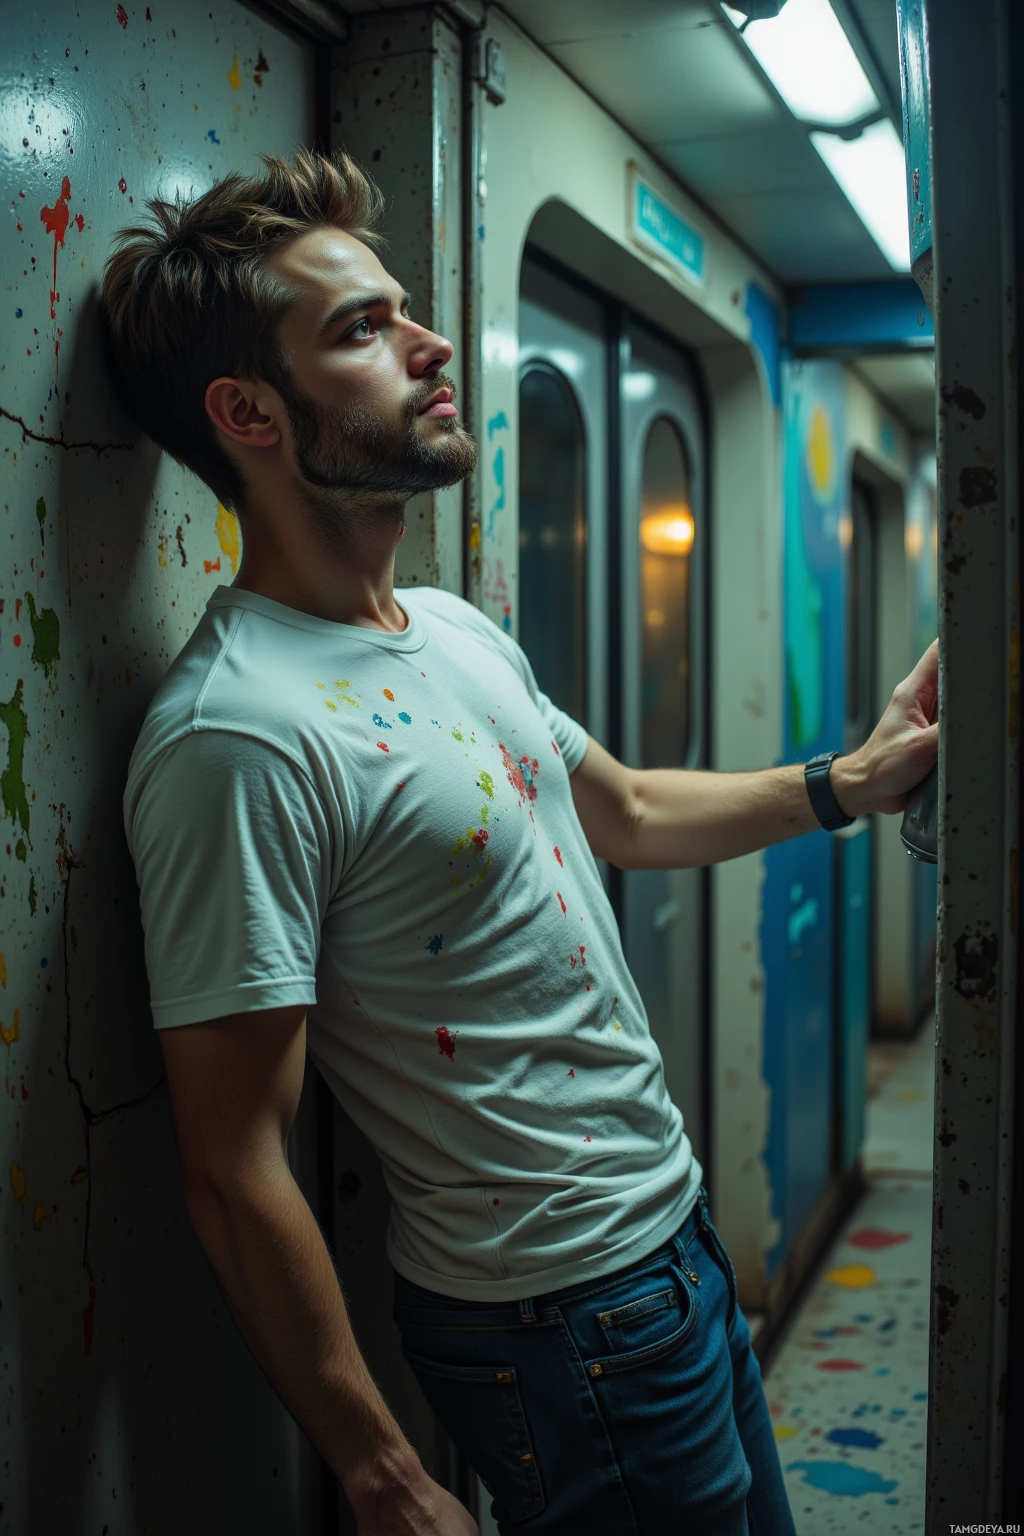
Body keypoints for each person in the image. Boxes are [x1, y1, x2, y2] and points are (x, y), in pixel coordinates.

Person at [102, 150, 938, 1536]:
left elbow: (626, 813)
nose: (429, 342)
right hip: (559, 1319)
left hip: (670, 1238)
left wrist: (850, 782)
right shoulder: (238, 732)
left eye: (403, 309)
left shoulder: (448, 627)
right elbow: (232, 1163)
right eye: (363, 328)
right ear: (247, 412)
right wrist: (383, 1474)